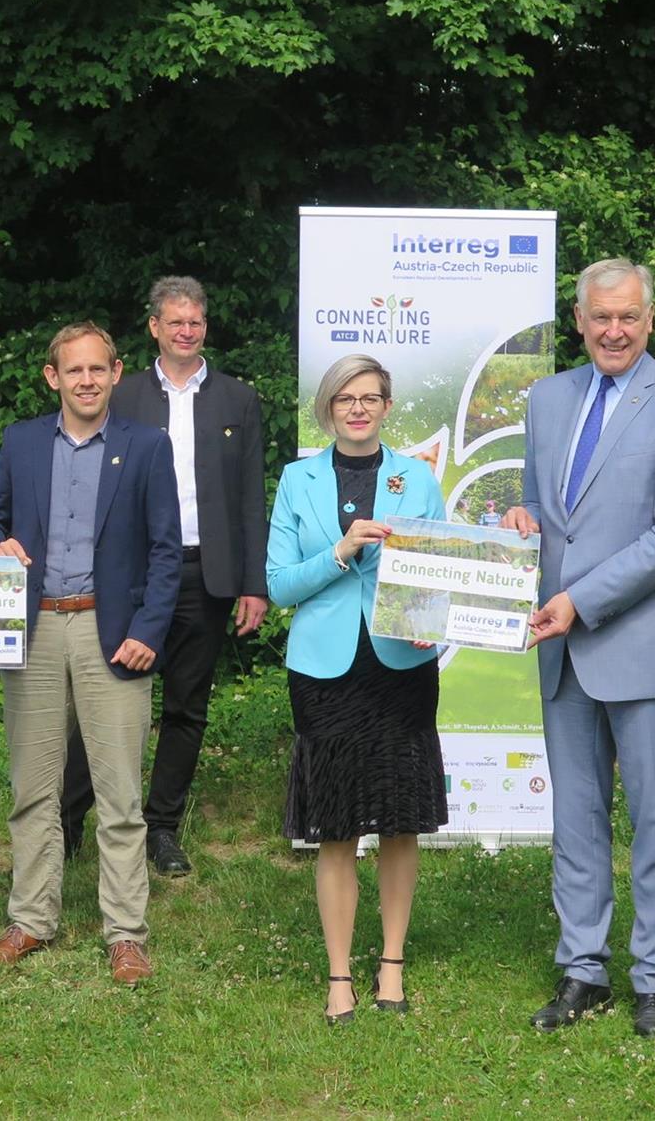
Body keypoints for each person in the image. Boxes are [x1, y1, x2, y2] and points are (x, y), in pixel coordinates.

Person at [501, 258, 655, 1039]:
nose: (615, 331)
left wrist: (580, 599)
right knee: (577, 818)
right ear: (580, 318)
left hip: (643, 643)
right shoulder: (549, 396)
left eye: (629, 317)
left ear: (650, 319)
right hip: (561, 647)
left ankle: (654, 978)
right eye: (602, 318)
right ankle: (583, 968)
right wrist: (523, 519)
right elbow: (539, 499)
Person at [0, 322, 181, 984]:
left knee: (119, 794)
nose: (86, 379)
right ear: (51, 377)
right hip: (34, 629)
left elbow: (166, 549)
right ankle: (31, 917)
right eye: (74, 369)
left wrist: (148, 629)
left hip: (111, 632)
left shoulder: (146, 446)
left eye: (98, 368)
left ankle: (125, 932)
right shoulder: (22, 442)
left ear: (117, 373)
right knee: (33, 789)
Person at [61, 276, 269, 877]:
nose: (186, 331)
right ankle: (69, 822)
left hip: (206, 571)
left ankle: (162, 828)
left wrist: (252, 582)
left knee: (187, 707)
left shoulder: (238, 399)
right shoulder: (120, 395)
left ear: (206, 327)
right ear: (154, 327)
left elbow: (250, 497)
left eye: (196, 322)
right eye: (175, 321)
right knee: (100, 701)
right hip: (128, 571)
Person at [265, 354, 448, 1024]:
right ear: (328, 407)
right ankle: (339, 972)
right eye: (346, 397)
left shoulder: (418, 477)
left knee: (401, 818)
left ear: (388, 406)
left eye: (371, 396)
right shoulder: (297, 480)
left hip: (402, 667)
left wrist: (434, 618)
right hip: (324, 672)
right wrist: (339, 551)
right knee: (336, 824)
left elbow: (437, 570)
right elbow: (280, 584)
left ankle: (391, 964)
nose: (359, 407)